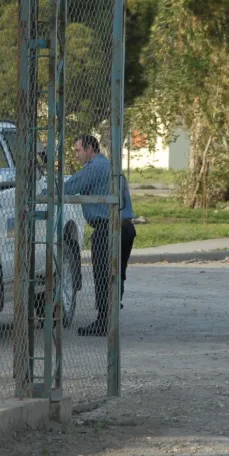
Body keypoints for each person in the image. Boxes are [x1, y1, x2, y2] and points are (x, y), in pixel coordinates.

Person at [62, 135, 136, 336]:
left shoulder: (94, 167)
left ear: (89, 149)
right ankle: (110, 316)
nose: (76, 155)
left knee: (103, 276)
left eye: (78, 151)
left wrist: (44, 189)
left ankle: (104, 322)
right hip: (125, 228)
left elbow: (68, 188)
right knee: (116, 274)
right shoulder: (109, 165)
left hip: (108, 229)